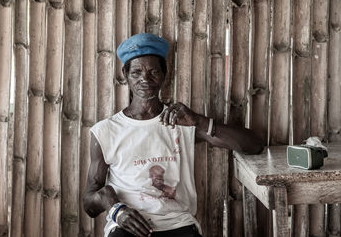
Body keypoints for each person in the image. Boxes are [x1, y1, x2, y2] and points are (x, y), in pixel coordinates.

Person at [83, 33, 264, 237]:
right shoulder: (105, 131)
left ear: (164, 75)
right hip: (126, 228)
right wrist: (114, 207)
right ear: (125, 75)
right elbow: (89, 205)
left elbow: (255, 145)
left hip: (178, 226)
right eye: (136, 72)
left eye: (153, 72)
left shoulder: (182, 122)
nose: (145, 79)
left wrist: (200, 121)